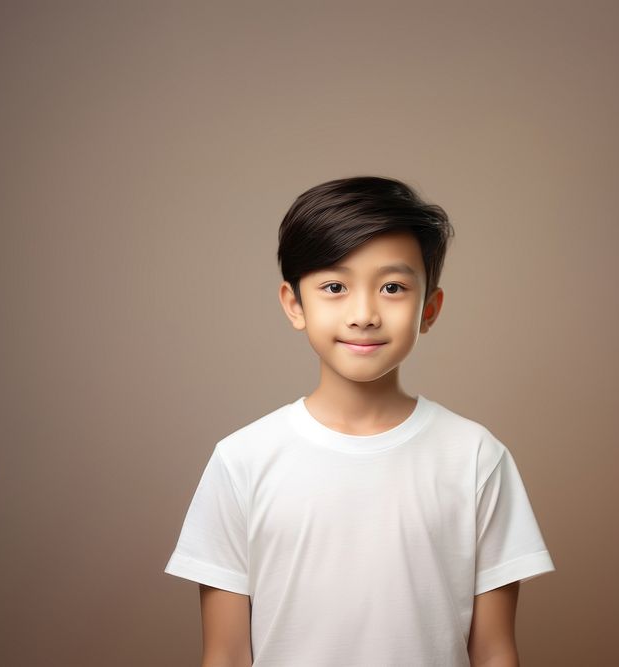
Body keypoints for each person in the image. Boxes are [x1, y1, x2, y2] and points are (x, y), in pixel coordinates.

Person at [164, 176, 555, 666]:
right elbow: (223, 656)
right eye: (334, 287)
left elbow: (495, 652)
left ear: (428, 309)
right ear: (294, 304)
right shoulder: (242, 460)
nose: (364, 313)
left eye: (392, 287)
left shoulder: (476, 457)